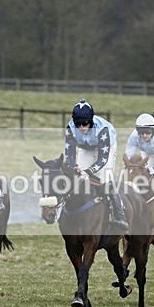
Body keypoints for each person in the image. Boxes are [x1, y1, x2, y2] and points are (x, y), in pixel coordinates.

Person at [64, 98, 128, 231]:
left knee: (104, 179)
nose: (82, 127)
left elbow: (103, 159)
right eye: (78, 124)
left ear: (91, 120)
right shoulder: (70, 128)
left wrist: (89, 170)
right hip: (86, 149)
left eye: (85, 123)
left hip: (105, 149)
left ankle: (119, 213)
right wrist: (72, 165)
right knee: (79, 178)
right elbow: (69, 152)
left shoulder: (103, 130)